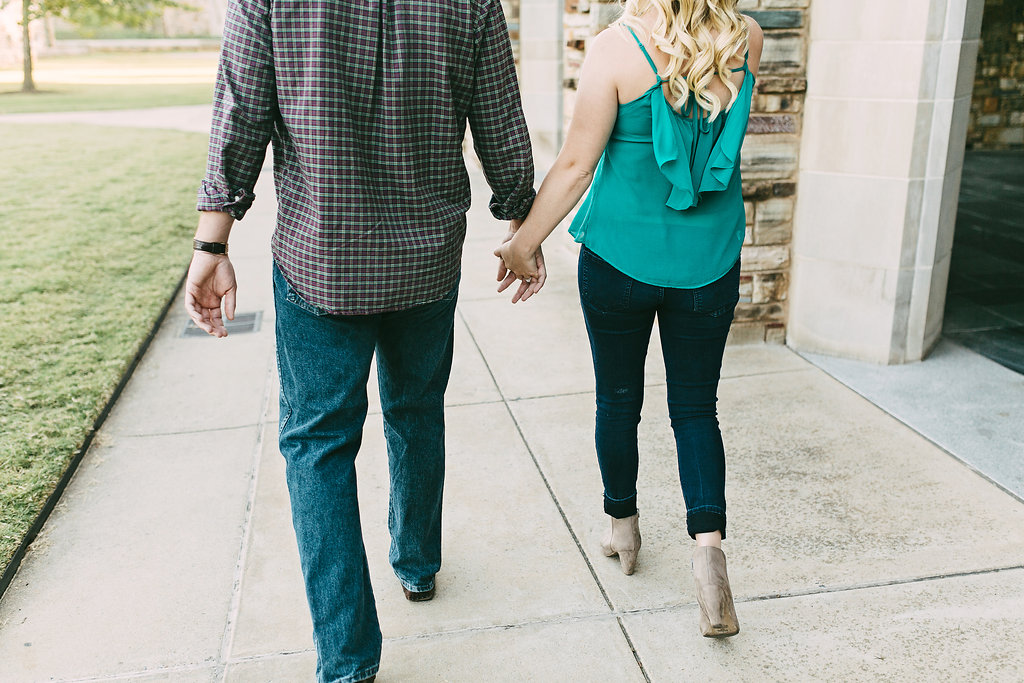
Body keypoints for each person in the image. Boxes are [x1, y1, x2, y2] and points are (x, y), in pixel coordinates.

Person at [183, 1, 536, 681]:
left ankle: (348, 661)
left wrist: (212, 240)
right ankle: (418, 563)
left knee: (317, 445)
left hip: (323, 259)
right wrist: (519, 218)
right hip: (426, 259)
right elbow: (500, 115)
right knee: (415, 408)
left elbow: (240, 112)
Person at [495, 0, 763, 638]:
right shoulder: (748, 38)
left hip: (619, 261)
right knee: (697, 408)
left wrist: (523, 243)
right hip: (710, 262)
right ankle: (709, 555)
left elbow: (574, 167)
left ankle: (624, 528)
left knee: (618, 400)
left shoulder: (618, 47)